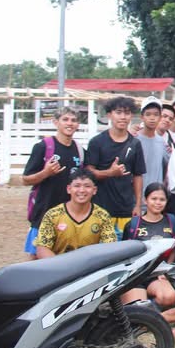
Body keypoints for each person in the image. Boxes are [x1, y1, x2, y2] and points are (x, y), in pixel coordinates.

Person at [22, 106, 84, 258]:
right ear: (56, 122)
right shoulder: (43, 147)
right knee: (37, 261)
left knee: (66, 259)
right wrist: (46, 173)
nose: (70, 123)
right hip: (44, 213)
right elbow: (25, 179)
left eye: (74, 120)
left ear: (78, 125)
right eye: (65, 119)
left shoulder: (80, 150)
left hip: (70, 215)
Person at [122, 183, 175, 307]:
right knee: (136, 309)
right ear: (146, 200)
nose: (158, 203)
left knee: (170, 296)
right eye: (154, 199)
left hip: (160, 274)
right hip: (137, 275)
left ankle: (158, 308)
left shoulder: (172, 221)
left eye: (162, 199)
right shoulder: (133, 224)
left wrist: (166, 270)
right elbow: (126, 254)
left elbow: (173, 249)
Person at [86, 96, 146, 236]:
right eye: (118, 112)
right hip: (100, 207)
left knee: (124, 251)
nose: (123, 117)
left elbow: (138, 175)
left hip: (126, 208)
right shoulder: (97, 142)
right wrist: (109, 173)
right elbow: (89, 172)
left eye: (127, 113)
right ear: (109, 115)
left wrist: (137, 204)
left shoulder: (135, 144)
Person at [34, 169, 116, 258]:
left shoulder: (102, 216)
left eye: (87, 186)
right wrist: (60, 268)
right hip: (59, 267)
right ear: (69, 189)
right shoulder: (53, 215)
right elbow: (42, 248)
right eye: (77, 186)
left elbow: (110, 248)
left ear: (94, 190)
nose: (82, 190)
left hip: (90, 268)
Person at [136, 96, 170, 188]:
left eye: (156, 114)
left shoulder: (162, 143)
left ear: (160, 117)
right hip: (135, 197)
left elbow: (167, 167)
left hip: (155, 196)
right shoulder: (134, 140)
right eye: (148, 114)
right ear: (142, 117)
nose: (152, 118)